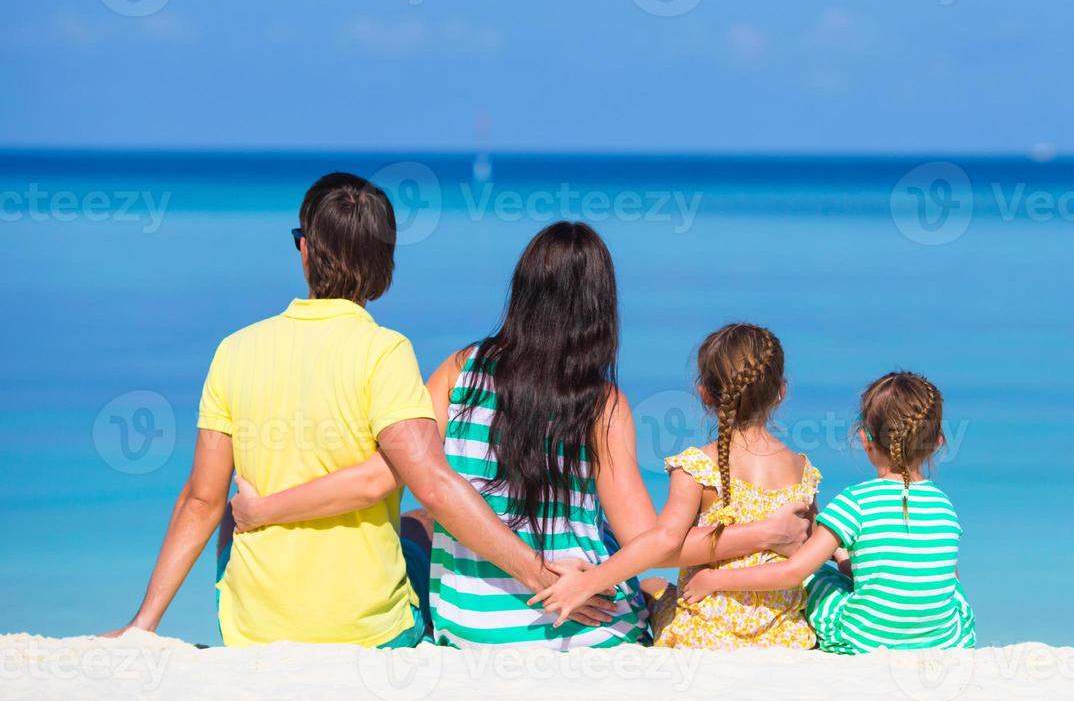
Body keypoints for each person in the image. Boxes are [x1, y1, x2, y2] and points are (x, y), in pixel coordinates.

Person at [229, 223, 811, 648]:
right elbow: (651, 538)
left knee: (418, 523)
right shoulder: (603, 404)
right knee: (647, 572)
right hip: (592, 625)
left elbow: (394, 473)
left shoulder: (459, 372)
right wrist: (763, 534)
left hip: (474, 630)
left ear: (523, 292)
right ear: (600, 310)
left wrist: (265, 509)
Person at [105, 173, 615, 647]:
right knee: (424, 525)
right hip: (369, 631)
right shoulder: (385, 353)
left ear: (304, 250)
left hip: (252, 630)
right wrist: (537, 573)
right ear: (386, 268)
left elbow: (199, 501)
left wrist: (141, 624)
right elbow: (433, 484)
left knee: (222, 497)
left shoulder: (235, 350)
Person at [530, 324, 822, 652]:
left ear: (705, 394)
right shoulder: (803, 470)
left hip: (706, 632)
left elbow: (666, 539)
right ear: (781, 392)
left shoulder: (697, 466)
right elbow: (808, 548)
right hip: (783, 634)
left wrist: (588, 583)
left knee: (652, 584)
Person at [679, 372, 976, 653]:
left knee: (817, 575)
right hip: (944, 638)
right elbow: (940, 574)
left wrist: (714, 580)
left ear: (864, 439)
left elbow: (793, 571)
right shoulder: (944, 505)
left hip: (866, 639)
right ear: (938, 442)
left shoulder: (856, 502)